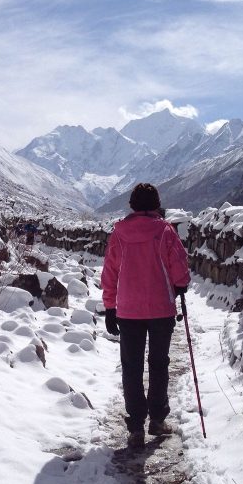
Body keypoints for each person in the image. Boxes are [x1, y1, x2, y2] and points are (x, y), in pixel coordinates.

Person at [101, 182, 190, 448]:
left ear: (132, 205)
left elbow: (110, 272)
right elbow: (179, 263)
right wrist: (181, 284)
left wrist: (109, 306)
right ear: (156, 205)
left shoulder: (118, 233)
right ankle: (158, 420)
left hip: (128, 310)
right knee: (159, 363)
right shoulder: (165, 231)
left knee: (131, 366)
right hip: (161, 307)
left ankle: (136, 426)